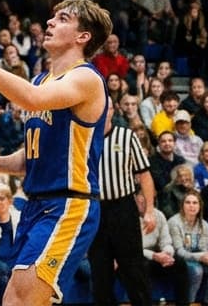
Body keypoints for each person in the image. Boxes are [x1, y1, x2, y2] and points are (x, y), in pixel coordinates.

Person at [0, 0, 111, 306]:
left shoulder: (85, 78)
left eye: (63, 19)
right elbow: (33, 156)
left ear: (83, 36)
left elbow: (31, 99)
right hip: (36, 205)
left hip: (67, 205)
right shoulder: (41, 80)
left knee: (17, 301)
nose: (50, 22)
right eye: (53, 17)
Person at [89, 97, 154, 306]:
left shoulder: (127, 136)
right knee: (100, 273)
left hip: (123, 208)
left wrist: (150, 210)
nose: (102, 112)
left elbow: (144, 175)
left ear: (112, 111)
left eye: (106, 108)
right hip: (96, 210)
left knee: (133, 270)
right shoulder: (85, 138)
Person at [168, 189, 208, 306]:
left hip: (196, 257)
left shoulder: (204, 225)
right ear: (182, 205)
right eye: (188, 202)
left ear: (200, 206)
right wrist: (200, 256)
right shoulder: (174, 222)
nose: (191, 206)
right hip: (179, 260)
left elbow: (203, 248)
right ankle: (188, 302)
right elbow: (178, 251)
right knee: (197, 270)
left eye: (195, 203)